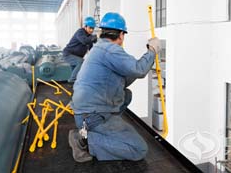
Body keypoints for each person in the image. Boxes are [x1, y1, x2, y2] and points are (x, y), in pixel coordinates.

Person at [68, 12, 161, 162]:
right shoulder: (111, 50)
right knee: (139, 149)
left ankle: (96, 131)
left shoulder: (99, 48)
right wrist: (152, 51)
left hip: (85, 111)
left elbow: (123, 78)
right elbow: (138, 69)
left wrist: (142, 67)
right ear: (121, 35)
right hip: (92, 116)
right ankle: (84, 141)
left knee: (127, 94)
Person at [62, 16, 97, 85]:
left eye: (93, 28)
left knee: (76, 72)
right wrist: (95, 37)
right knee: (81, 62)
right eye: (90, 28)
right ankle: (71, 81)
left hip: (76, 56)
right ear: (85, 26)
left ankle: (74, 86)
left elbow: (91, 49)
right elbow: (84, 41)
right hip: (68, 54)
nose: (91, 30)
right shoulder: (80, 32)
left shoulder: (89, 36)